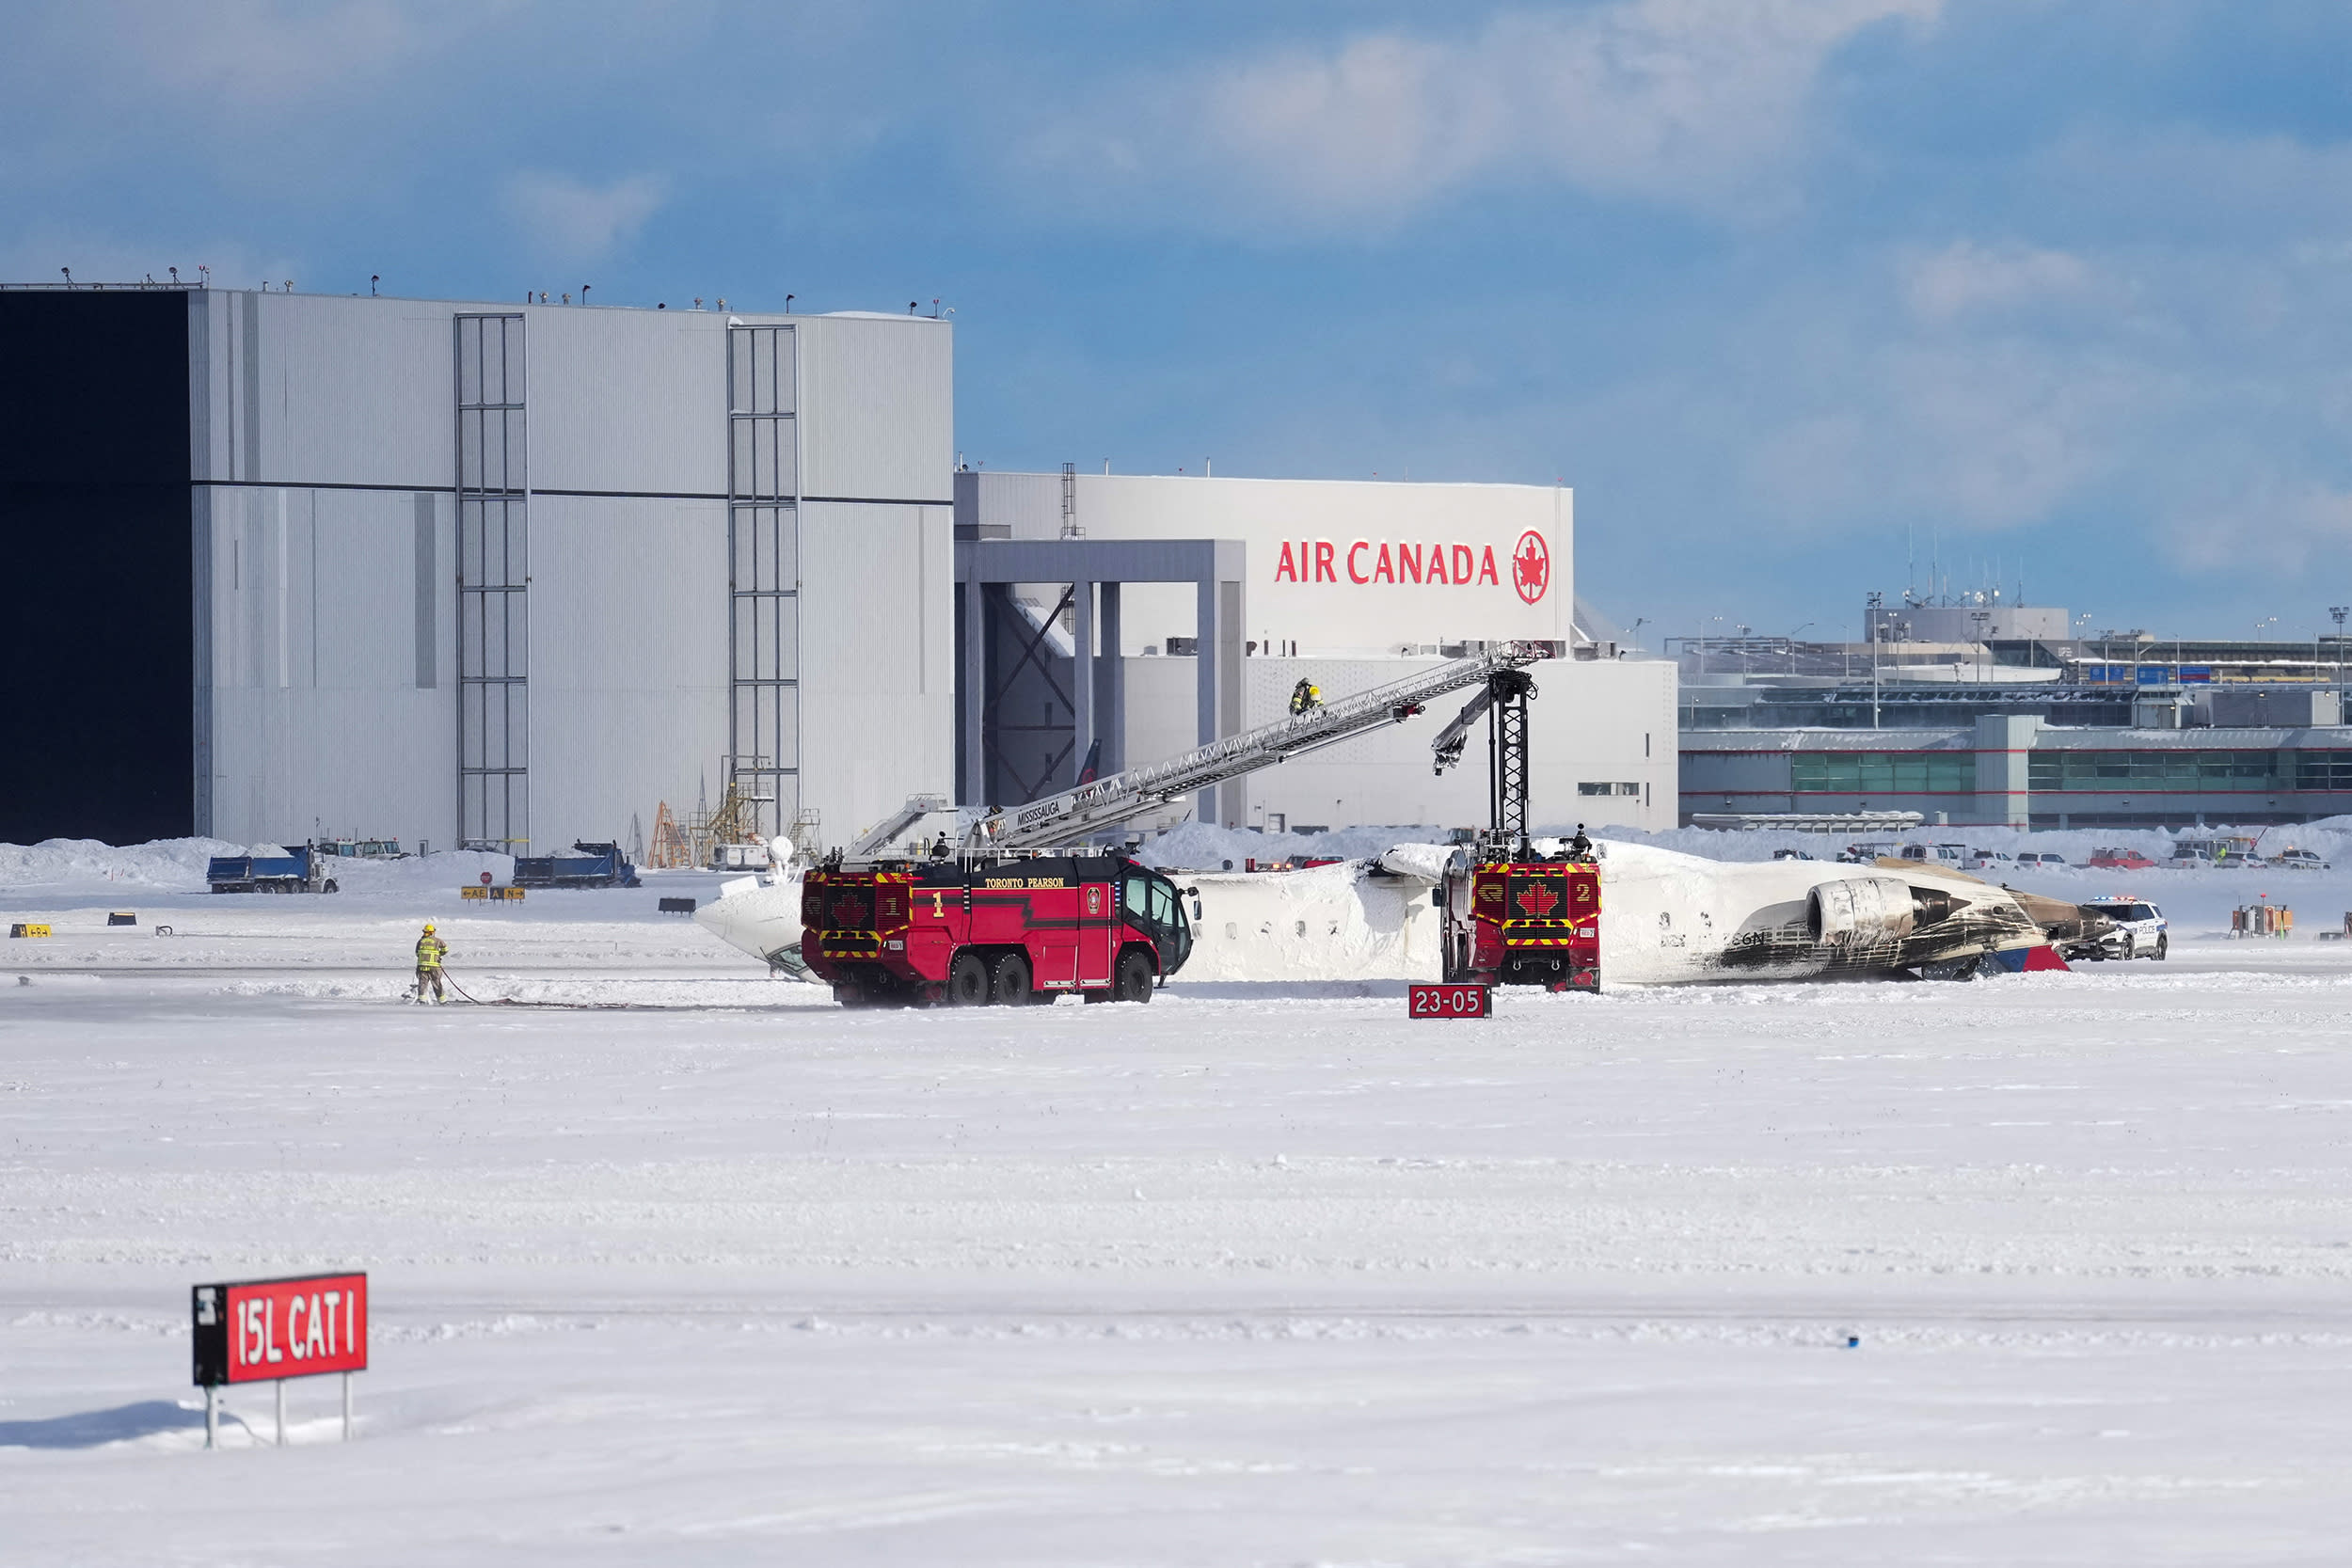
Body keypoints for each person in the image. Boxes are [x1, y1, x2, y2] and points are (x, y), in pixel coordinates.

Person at [414, 921, 449, 1004]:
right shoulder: (438, 941)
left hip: (422, 967)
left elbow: (417, 953)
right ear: (432, 932)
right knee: (436, 983)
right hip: (434, 967)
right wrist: (439, 955)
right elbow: (445, 949)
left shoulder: (420, 941)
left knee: (422, 984)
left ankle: (422, 1000)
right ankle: (442, 1001)